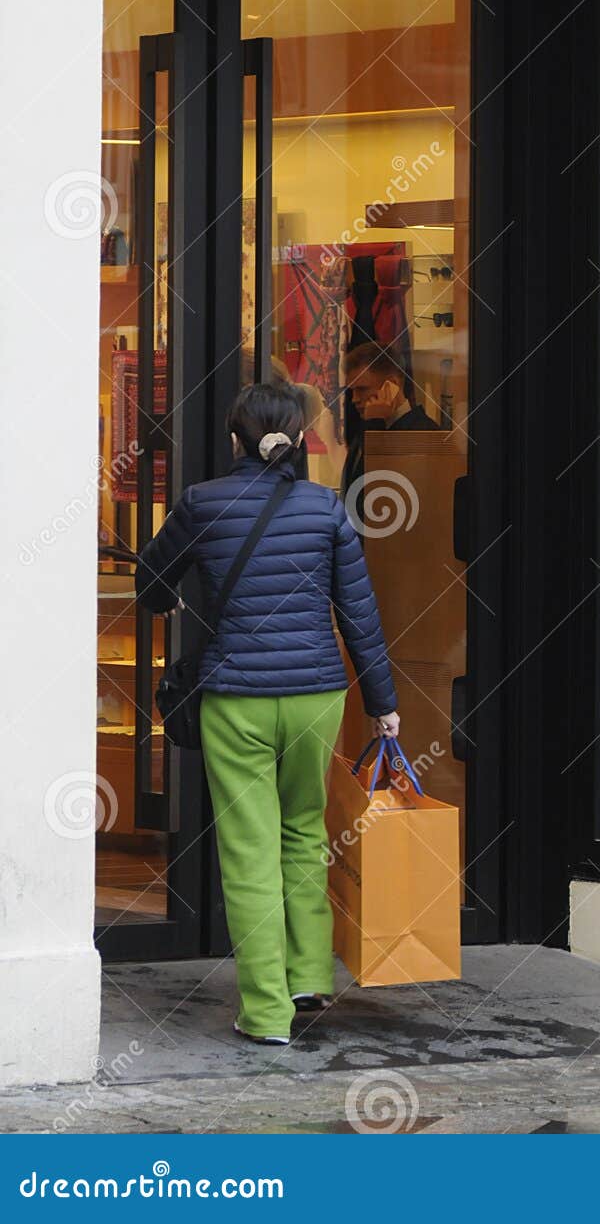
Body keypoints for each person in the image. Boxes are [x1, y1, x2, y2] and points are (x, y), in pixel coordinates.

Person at [135, 380, 399, 1047]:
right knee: (305, 832)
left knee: (250, 851)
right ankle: (308, 974)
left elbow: (151, 584)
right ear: (299, 441)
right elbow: (359, 614)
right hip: (316, 696)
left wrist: (173, 591)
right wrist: (383, 707)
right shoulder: (324, 507)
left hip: (237, 699)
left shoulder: (201, 503)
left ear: (235, 440)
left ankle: (264, 1013)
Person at [340, 341, 442, 500]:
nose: (354, 399)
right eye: (352, 391)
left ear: (391, 385)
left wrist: (374, 424)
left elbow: (373, 494)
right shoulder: (366, 425)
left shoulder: (424, 434)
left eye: (362, 389)